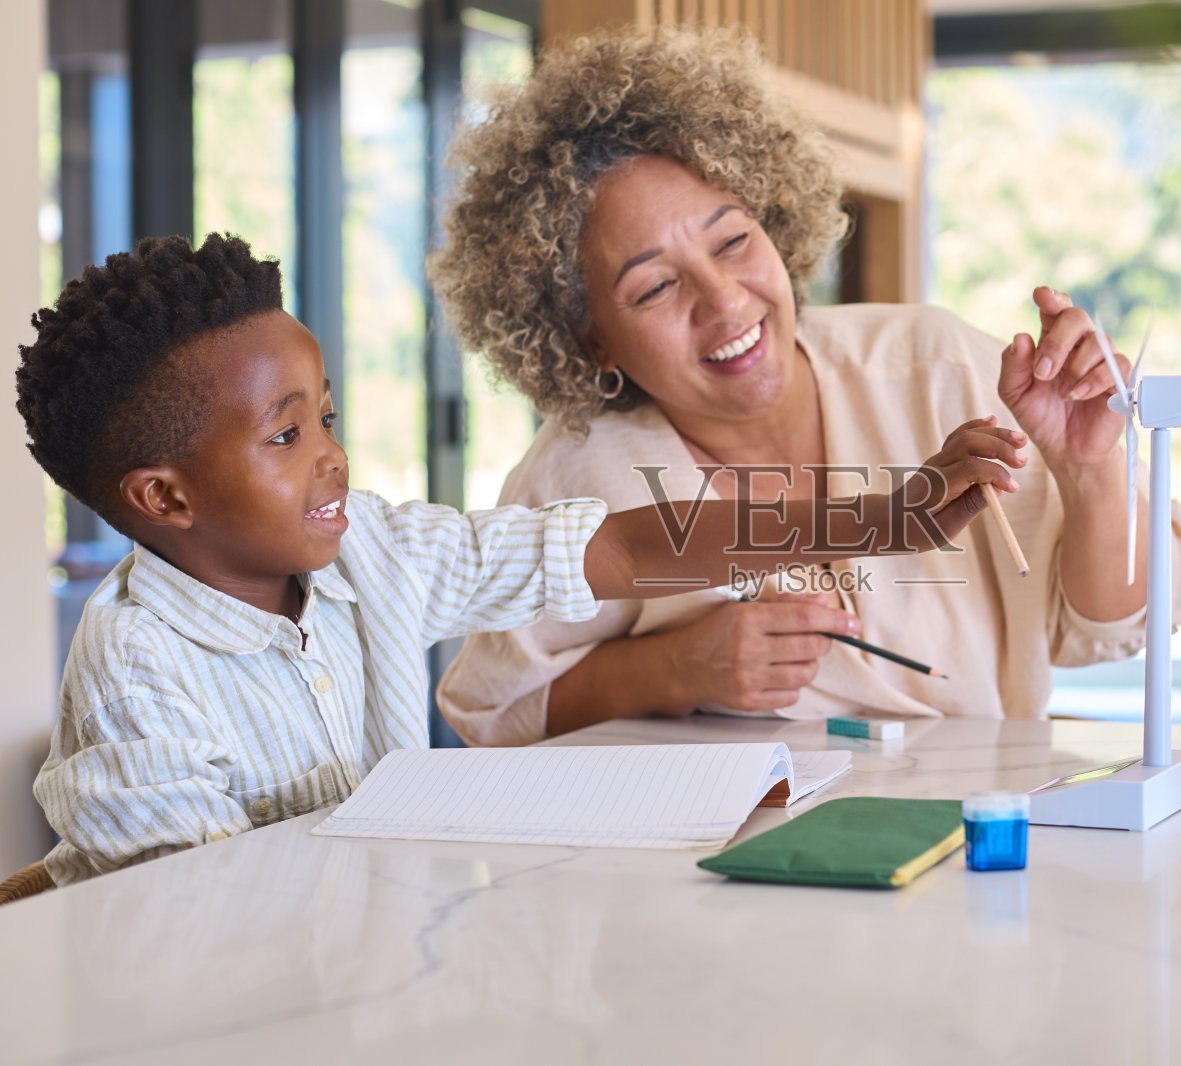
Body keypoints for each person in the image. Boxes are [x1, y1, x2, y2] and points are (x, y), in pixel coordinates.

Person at [15, 233, 1019, 884]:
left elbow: (619, 544)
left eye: (325, 414)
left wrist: (884, 520)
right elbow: (189, 924)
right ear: (166, 497)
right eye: (285, 437)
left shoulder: (371, 548)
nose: (330, 452)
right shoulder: (133, 669)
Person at [429, 26, 1181, 744]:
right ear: (587, 335)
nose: (726, 300)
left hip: (976, 846)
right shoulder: (577, 481)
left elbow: (1120, 623)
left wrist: (1088, 469)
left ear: (775, 219)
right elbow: (497, 713)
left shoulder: (937, 370)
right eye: (656, 288)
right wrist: (673, 668)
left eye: (733, 240)